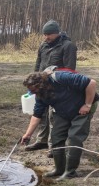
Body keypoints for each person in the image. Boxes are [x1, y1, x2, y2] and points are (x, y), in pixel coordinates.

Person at [21, 71, 98, 181]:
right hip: (63, 111)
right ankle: (59, 169)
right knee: (56, 136)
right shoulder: (40, 95)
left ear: (40, 84)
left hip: (82, 109)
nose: (31, 93)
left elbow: (91, 83)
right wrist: (27, 134)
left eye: (33, 89)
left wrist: (87, 104)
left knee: (74, 138)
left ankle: (70, 172)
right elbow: (37, 115)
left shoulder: (60, 77)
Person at [25, 20, 77, 158]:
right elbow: (38, 64)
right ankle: (41, 141)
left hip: (58, 87)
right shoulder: (43, 45)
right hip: (41, 85)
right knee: (41, 115)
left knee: (54, 117)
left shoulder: (68, 46)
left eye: (49, 34)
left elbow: (70, 69)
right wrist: (33, 82)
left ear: (57, 33)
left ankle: (53, 146)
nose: (46, 37)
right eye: (45, 34)